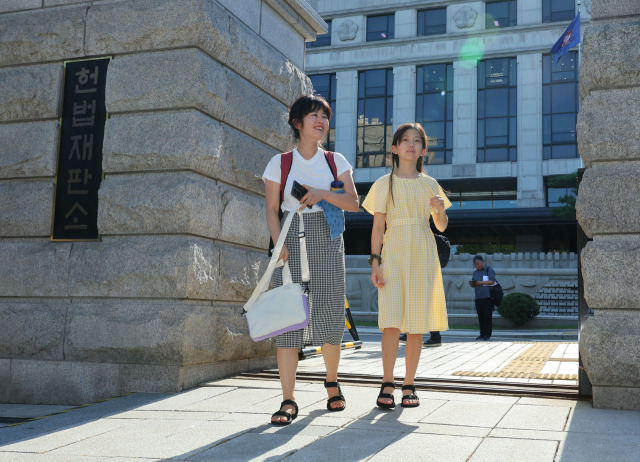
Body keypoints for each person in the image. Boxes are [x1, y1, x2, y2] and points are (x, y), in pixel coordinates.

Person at [262, 95, 359, 425]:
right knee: (288, 318)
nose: (321, 121)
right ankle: (288, 399)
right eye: (314, 115)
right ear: (297, 123)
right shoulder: (280, 162)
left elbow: (353, 202)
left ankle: (332, 383)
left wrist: (322, 194)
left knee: (330, 310)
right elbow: (271, 209)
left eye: (325, 117)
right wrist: (278, 244)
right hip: (288, 233)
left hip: (327, 235)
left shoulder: (336, 161)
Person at [362, 122, 451, 409]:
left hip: (423, 252)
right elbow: (377, 228)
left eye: (417, 141)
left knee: (416, 325)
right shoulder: (383, 183)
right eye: (405, 140)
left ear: (424, 149)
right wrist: (375, 262)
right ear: (395, 147)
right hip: (394, 253)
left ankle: (409, 384)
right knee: (390, 322)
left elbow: (441, 226)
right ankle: (387, 381)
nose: (411, 144)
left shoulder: (430, 184)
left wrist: (438, 209)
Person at [468, 255, 496, 340]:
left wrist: (480, 283)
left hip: (487, 297)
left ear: (482, 262)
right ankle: (482, 334)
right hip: (478, 297)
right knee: (480, 316)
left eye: (478, 264)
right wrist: (473, 284)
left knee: (487, 316)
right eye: (475, 265)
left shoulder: (489, 270)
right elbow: (475, 282)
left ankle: (487, 334)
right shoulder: (475, 272)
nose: (477, 266)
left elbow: (492, 281)